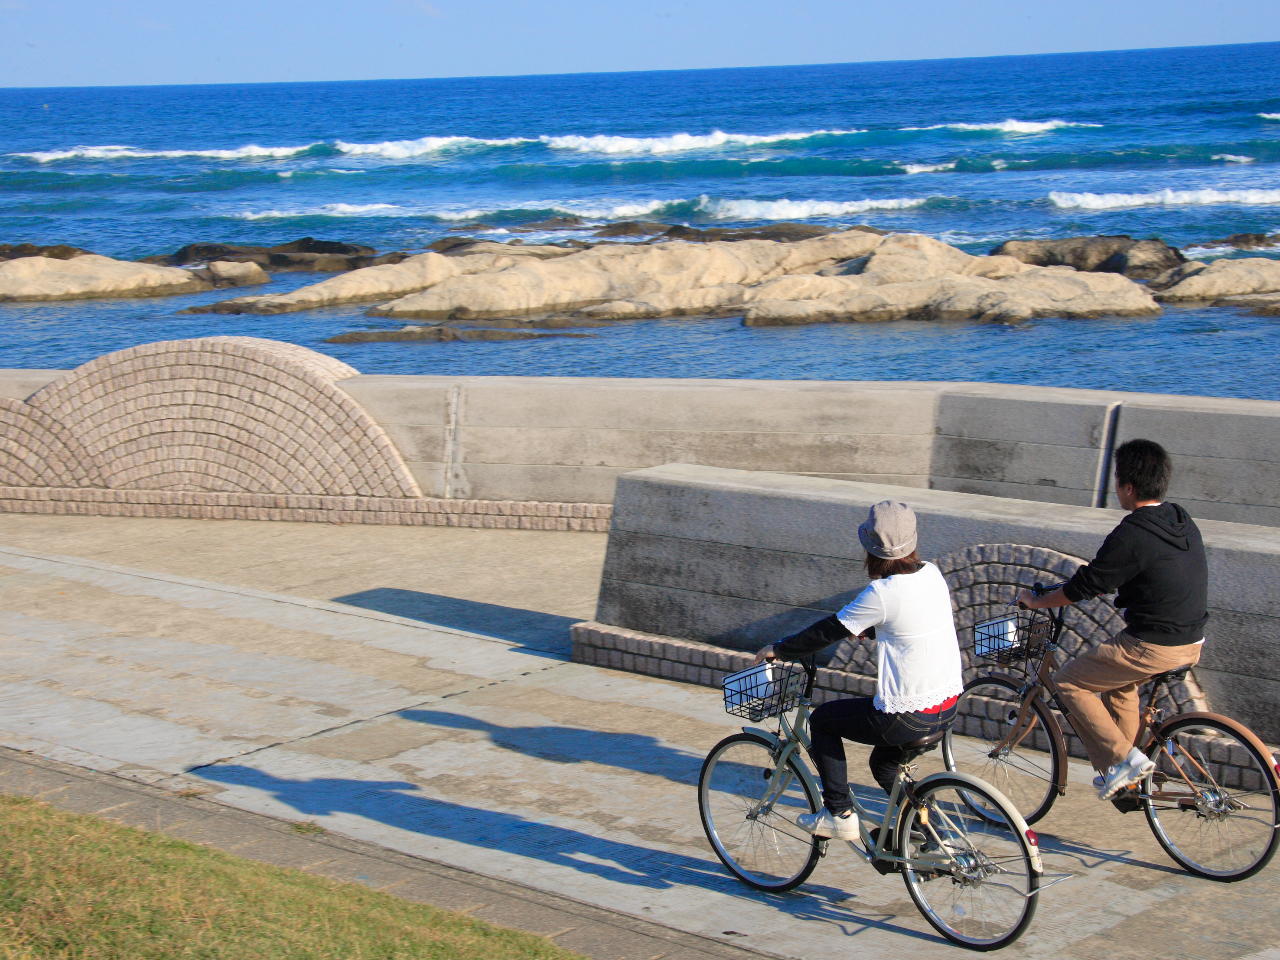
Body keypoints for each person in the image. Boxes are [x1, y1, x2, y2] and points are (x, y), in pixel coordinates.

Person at [753, 500, 964, 841]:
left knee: (822, 720)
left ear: (871, 549)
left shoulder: (882, 592)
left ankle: (838, 813)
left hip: (906, 715)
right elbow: (910, 620)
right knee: (884, 764)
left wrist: (779, 649)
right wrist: (873, 628)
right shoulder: (932, 573)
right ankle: (929, 835)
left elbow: (828, 630)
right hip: (947, 707)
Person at [1017, 438, 1208, 801]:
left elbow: (1083, 587)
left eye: (1118, 480)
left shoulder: (1132, 532)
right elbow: (1147, 571)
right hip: (1191, 639)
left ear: (1128, 487)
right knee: (1119, 683)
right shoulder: (1179, 518)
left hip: (1155, 645)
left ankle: (1124, 761)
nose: (1116, 487)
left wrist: (1038, 601)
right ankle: (1127, 779)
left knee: (1069, 681)